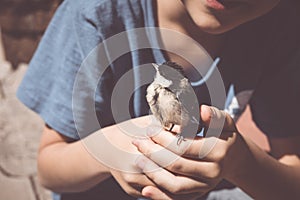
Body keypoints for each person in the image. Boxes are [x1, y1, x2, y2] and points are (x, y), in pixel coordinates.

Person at [17, 0, 300, 199]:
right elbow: (49, 169)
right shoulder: (96, 13)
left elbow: (292, 177)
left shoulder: (280, 25)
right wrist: (106, 151)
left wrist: (241, 164)